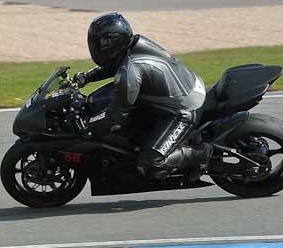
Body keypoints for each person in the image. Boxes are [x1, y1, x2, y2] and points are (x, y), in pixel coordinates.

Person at [72, 13, 212, 181]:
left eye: (99, 42)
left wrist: (89, 123)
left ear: (111, 42)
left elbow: (115, 114)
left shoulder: (130, 72)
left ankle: (201, 153)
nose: (97, 46)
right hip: (185, 88)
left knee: (151, 164)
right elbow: (112, 65)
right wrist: (86, 78)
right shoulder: (133, 45)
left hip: (184, 109)